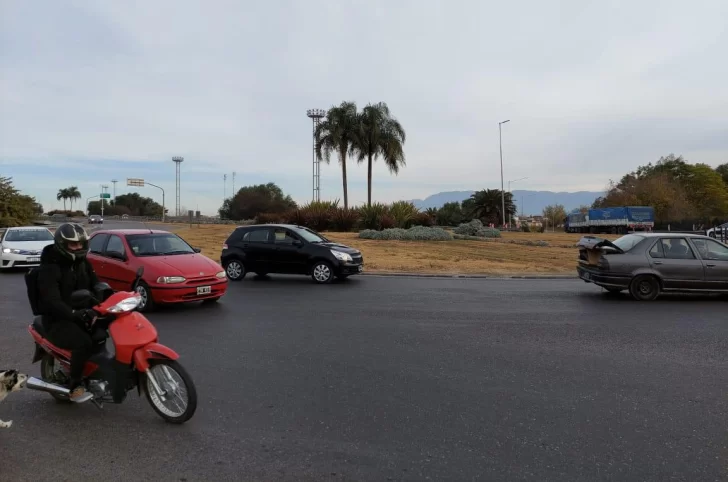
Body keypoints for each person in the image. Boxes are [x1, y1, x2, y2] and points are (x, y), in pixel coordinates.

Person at [36, 223, 100, 403]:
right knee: (84, 342)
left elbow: (96, 284)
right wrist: (72, 313)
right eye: (73, 245)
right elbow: (52, 300)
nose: (78, 248)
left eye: (81, 244)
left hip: (83, 313)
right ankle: (75, 384)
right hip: (57, 320)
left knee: (103, 332)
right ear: (62, 244)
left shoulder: (83, 262)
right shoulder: (50, 268)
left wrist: (115, 297)